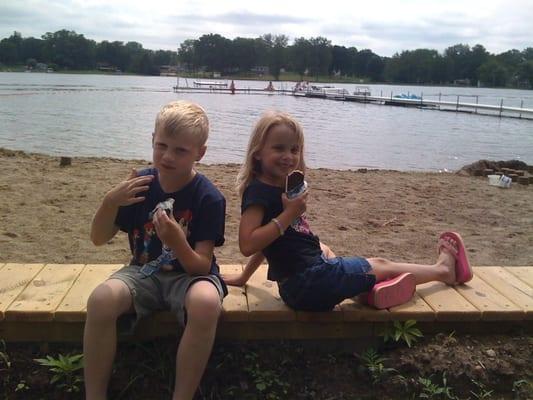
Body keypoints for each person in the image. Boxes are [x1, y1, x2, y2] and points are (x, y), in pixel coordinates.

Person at [223, 110, 472, 312]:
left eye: (294, 149)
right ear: (258, 154)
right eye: (279, 148)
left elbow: (274, 241)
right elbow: (248, 244)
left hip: (297, 287)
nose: (288, 156)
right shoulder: (258, 193)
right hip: (309, 283)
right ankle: (444, 271)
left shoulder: (280, 187)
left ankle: (367, 294)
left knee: (325, 249)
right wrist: (289, 213)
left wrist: (245, 277)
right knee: (381, 264)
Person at [84, 100, 227, 400]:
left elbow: (201, 266)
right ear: (152, 140)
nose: (168, 156)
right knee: (99, 300)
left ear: (200, 153)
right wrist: (110, 202)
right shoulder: (140, 186)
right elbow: (98, 238)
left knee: (206, 303)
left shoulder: (209, 198)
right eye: (161, 145)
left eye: (180, 150)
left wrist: (177, 242)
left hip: (189, 278)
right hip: (143, 272)